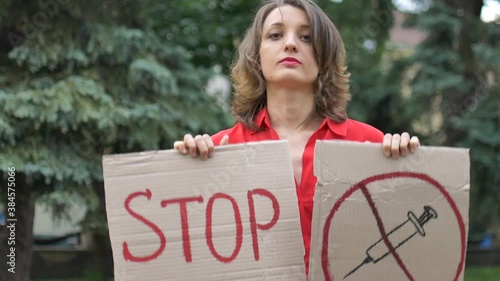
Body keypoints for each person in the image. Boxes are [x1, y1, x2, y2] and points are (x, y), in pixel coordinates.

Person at [174, 0, 419, 274]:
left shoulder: (370, 145)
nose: (290, 44)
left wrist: (406, 165)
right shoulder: (220, 151)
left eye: (306, 37)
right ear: (256, 56)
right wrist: (188, 171)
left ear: (324, 57)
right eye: (276, 35)